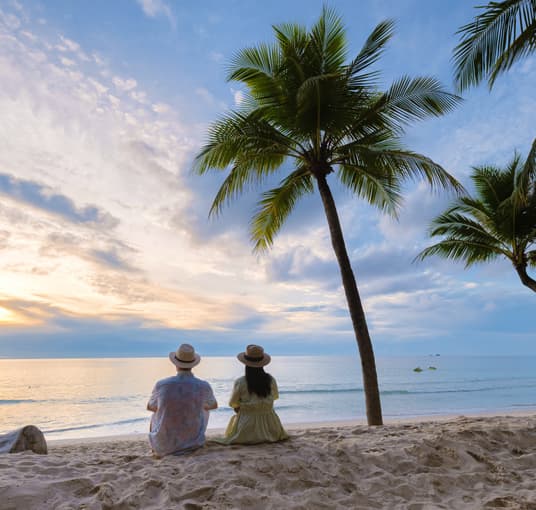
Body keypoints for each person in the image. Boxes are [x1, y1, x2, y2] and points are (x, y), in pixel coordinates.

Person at [147, 344, 217, 457]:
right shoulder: (203, 386)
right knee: (205, 407)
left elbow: (150, 407)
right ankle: (190, 438)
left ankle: (156, 447)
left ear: (175, 364)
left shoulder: (162, 384)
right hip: (193, 444)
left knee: (155, 411)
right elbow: (214, 405)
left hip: (163, 446)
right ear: (193, 364)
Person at [221, 344, 288, 444]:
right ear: (262, 363)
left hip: (246, 429)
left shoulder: (240, 382)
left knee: (237, 408)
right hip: (271, 428)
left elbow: (232, 403)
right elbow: (275, 397)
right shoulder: (270, 380)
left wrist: (242, 407)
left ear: (246, 363)